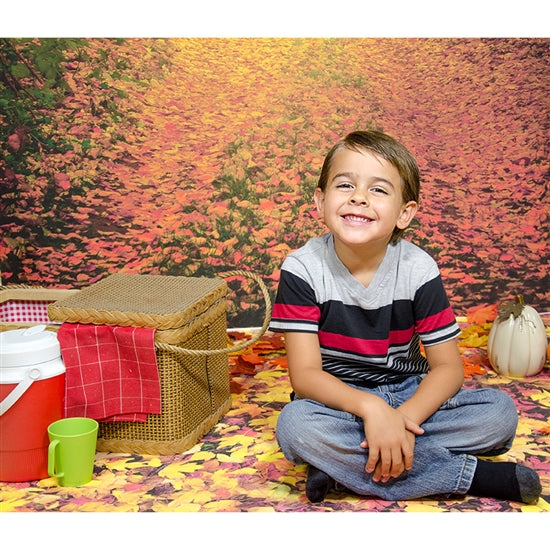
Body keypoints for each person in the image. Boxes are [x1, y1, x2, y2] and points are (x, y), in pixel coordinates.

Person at [269, 130, 541, 504]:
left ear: (404, 213)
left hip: (408, 393)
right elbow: (306, 376)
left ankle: (341, 467)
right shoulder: (303, 269)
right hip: (338, 403)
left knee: (499, 415)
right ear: (320, 201)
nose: (359, 197)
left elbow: (447, 369)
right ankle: (468, 476)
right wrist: (371, 409)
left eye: (378, 190)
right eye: (345, 184)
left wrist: (399, 420)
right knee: (296, 428)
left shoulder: (418, 269)